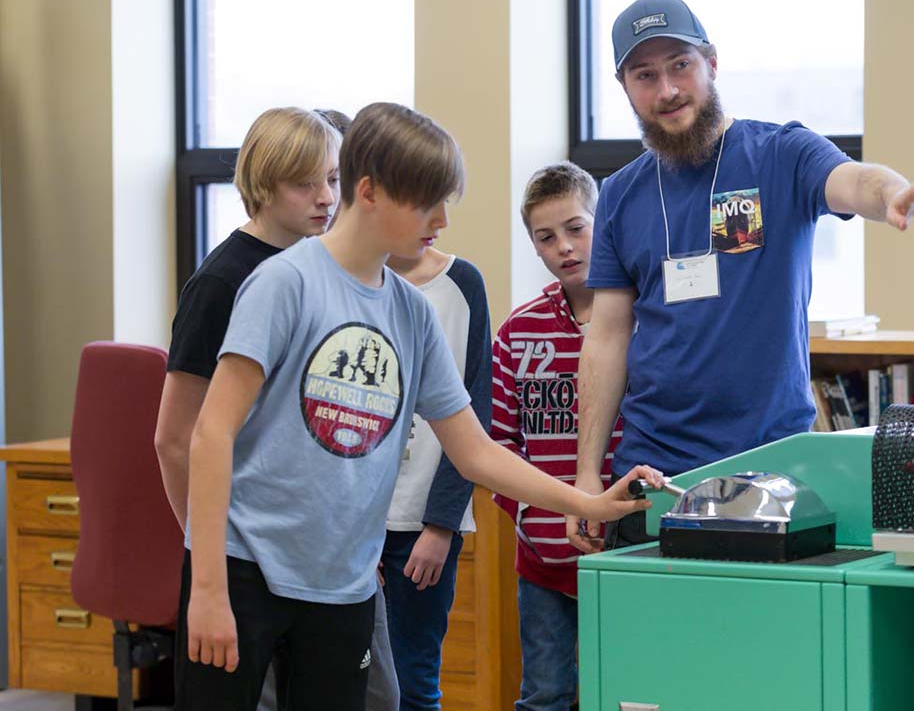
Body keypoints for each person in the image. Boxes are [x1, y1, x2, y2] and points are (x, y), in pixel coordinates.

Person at [177, 102, 661, 711]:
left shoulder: (410, 311)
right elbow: (209, 434)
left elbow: (476, 450)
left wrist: (584, 500)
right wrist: (208, 589)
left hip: (342, 585)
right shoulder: (284, 283)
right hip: (244, 571)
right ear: (370, 190)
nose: (441, 218)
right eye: (427, 200)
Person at [568, 0, 914, 552]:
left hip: (774, 468)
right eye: (645, 75)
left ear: (711, 62)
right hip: (653, 476)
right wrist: (587, 475)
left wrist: (895, 194)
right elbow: (606, 336)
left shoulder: (781, 154)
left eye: (680, 65)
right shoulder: (620, 194)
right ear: (625, 85)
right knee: (652, 637)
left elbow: (854, 181)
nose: (667, 90)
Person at [154, 106, 342, 710]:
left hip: (315, 551)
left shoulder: (319, 268)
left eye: (333, 180)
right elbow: (175, 438)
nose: (324, 198)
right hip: (239, 555)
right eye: (304, 183)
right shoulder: (222, 281)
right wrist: (208, 551)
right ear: (263, 185)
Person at [491, 162, 620, 711]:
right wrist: (528, 517)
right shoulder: (518, 332)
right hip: (540, 560)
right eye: (547, 238)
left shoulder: (640, 322)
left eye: (577, 227)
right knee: (544, 694)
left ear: (604, 223)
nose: (564, 247)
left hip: (622, 554)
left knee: (620, 691)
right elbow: (499, 442)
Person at [382, 242, 490, 710]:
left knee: (414, 681)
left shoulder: (462, 283)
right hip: (351, 528)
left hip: (423, 527)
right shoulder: (343, 275)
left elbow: (475, 405)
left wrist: (441, 524)